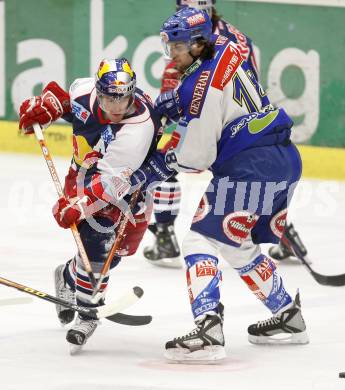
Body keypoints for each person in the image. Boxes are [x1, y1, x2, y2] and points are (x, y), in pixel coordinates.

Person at [151, 7, 309, 362]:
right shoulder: (230, 43)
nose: (170, 55)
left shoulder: (198, 89)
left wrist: (160, 163)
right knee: (234, 242)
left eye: (176, 47)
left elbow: (196, 158)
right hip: (283, 158)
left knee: (198, 238)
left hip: (251, 165)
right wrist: (178, 102)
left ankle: (208, 328)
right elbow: (218, 87)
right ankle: (288, 316)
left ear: (196, 43)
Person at [18, 58, 162, 348]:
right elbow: (68, 104)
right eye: (109, 98)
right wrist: (49, 106)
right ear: (99, 90)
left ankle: (68, 274)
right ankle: (89, 312)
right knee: (97, 242)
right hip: (84, 175)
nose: (116, 107)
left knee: (117, 253)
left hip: (131, 186)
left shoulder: (138, 128)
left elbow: (110, 185)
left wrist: (77, 206)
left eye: (123, 98)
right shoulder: (85, 91)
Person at [144, 0, 259, 268]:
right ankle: (271, 227)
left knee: (168, 160)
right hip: (238, 113)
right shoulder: (217, 36)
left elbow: (200, 100)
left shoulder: (208, 40)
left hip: (223, 113)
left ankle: (164, 234)